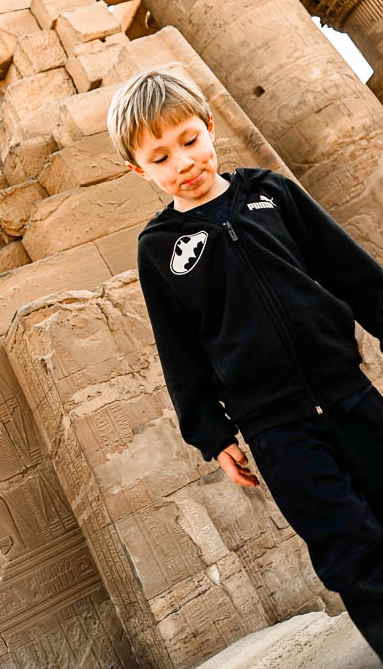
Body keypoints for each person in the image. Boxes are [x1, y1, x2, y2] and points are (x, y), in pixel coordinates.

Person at [106, 68, 383, 659]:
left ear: (209, 127)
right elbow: (178, 348)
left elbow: (348, 271)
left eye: (187, 140)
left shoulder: (270, 193)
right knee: (349, 548)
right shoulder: (160, 248)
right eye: (159, 157)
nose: (181, 161)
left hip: (350, 396)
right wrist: (212, 433)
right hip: (277, 430)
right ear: (139, 171)